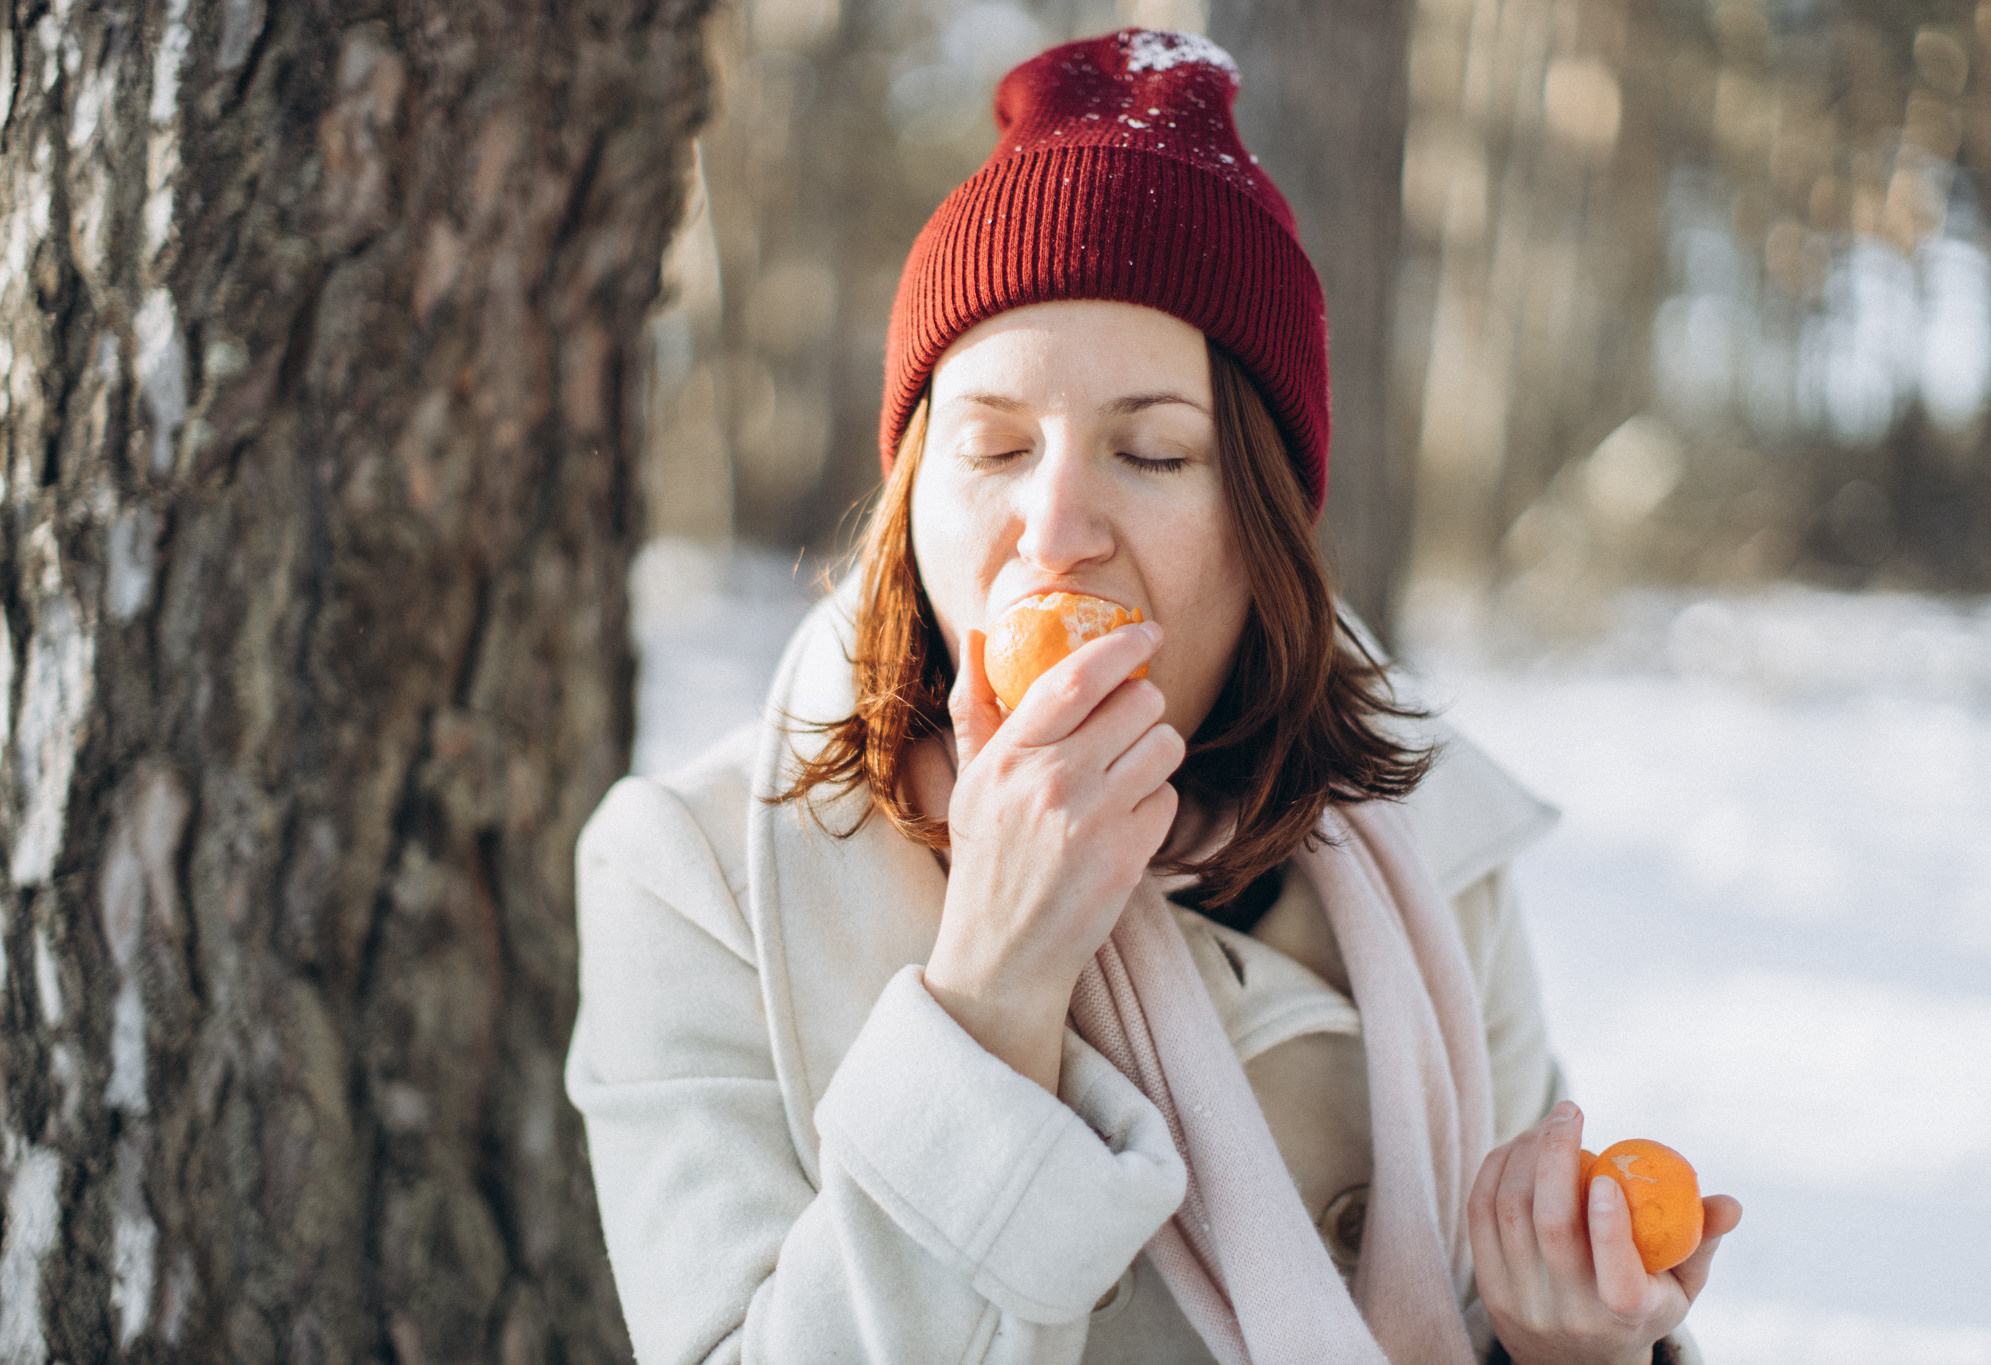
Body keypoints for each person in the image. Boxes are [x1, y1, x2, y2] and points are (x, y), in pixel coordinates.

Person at [565, 27, 1740, 1365]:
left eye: (1153, 450)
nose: (1054, 526)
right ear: (911, 502)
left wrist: (1567, 1350)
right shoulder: (699, 876)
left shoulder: (1429, 841)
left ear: (1263, 529)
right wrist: (994, 995)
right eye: (994, 444)